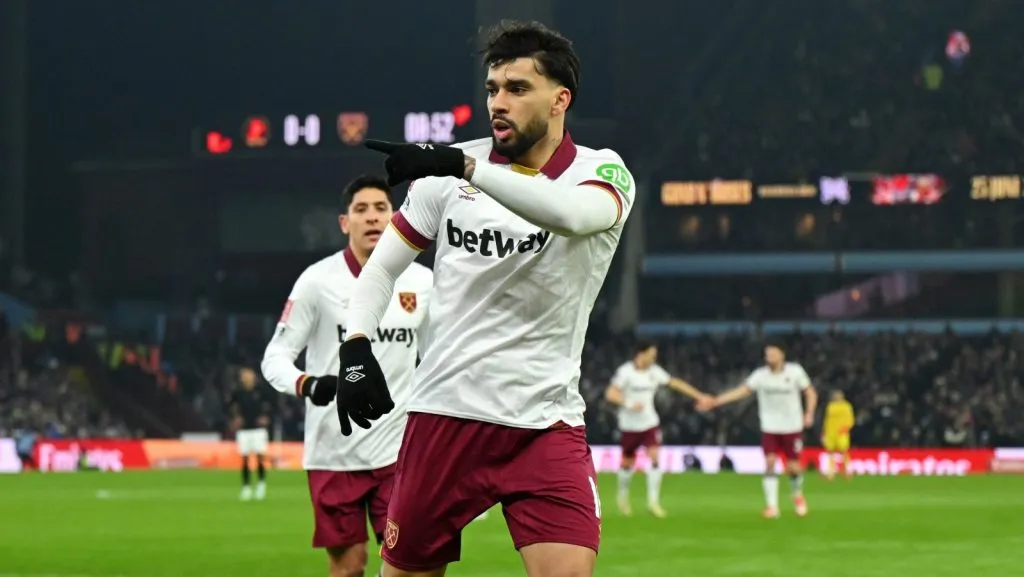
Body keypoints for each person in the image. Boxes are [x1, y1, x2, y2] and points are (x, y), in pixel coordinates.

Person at [334, 20, 636, 577]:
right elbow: (379, 273)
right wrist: (355, 348)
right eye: (493, 88)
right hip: (446, 418)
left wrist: (464, 164)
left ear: (559, 100)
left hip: (545, 423)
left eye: (518, 89)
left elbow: (569, 217)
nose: (499, 102)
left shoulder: (602, 172)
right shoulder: (445, 176)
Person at [261, 175, 432, 577]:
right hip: (333, 453)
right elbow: (275, 357)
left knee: (409, 564)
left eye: (381, 209)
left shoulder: (422, 282)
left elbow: (437, 357)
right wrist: (309, 384)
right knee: (347, 567)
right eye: (361, 210)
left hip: (398, 454)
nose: (372, 218)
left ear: (395, 218)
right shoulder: (318, 282)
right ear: (344, 223)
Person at [698, 342, 818, 518]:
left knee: (793, 467)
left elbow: (811, 393)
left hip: (792, 426)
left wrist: (809, 413)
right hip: (769, 426)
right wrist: (716, 401)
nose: (769, 357)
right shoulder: (760, 375)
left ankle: (797, 494)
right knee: (769, 462)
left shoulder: (795, 372)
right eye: (767, 354)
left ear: (782, 355)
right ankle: (772, 506)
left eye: (772, 353)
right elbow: (742, 391)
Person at [604, 341, 710, 518]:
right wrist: (629, 403)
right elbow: (610, 393)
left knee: (654, 457)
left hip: (649, 423)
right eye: (651, 354)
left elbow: (675, 383)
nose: (654, 357)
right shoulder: (625, 372)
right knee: (628, 463)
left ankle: (653, 502)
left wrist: (699, 396)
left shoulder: (655, 372)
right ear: (641, 354)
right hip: (629, 425)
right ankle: (622, 497)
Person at [230, 366, 271, 501]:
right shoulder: (238, 393)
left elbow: (270, 406)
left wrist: (265, 417)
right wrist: (235, 418)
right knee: (245, 459)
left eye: (248, 375)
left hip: (258, 429)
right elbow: (231, 407)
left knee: (260, 457)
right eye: (244, 375)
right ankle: (246, 487)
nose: (246, 378)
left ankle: (261, 485)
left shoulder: (261, 391)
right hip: (244, 430)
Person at [821, 390, 854, 479]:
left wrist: (846, 428)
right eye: (835, 396)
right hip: (830, 432)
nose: (836, 397)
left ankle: (847, 471)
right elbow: (827, 420)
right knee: (830, 452)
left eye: (838, 396)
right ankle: (831, 473)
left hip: (841, 432)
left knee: (844, 451)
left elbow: (850, 419)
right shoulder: (830, 406)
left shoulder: (846, 406)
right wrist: (824, 432)